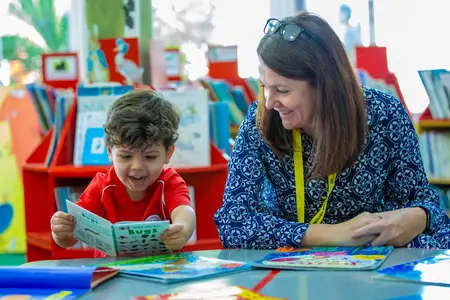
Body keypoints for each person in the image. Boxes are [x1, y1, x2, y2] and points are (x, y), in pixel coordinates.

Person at [214, 12, 450, 250]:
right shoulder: (260, 121)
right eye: (264, 86)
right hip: (291, 263)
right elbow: (233, 223)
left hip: (371, 261)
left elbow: (426, 206)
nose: (268, 102)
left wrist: (419, 216)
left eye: (283, 91)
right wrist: (334, 234)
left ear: (325, 85)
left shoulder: (384, 115)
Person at [51, 88, 196, 257]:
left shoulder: (169, 182)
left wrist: (183, 231)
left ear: (168, 153)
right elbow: (69, 239)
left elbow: (185, 212)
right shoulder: (101, 187)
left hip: (164, 275)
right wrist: (61, 232)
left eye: (149, 157)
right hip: (113, 276)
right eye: (126, 156)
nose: (137, 167)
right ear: (110, 152)